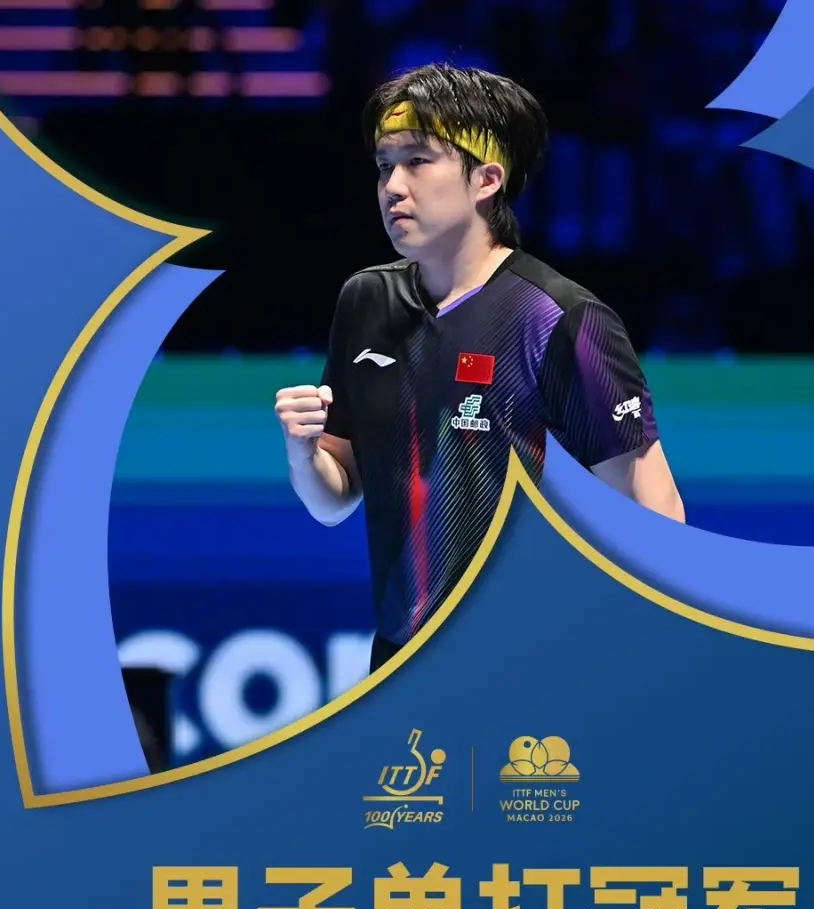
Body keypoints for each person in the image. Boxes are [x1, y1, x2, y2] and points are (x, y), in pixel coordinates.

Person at [275, 63, 684, 674]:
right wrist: (302, 454)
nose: (392, 186)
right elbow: (335, 500)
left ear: (487, 179)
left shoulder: (558, 317)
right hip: (397, 663)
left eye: (418, 161)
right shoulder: (366, 301)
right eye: (385, 165)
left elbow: (655, 515)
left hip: (528, 663)